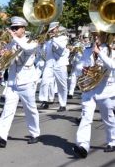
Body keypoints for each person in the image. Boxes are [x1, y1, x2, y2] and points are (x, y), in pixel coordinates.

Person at [0, 16, 40, 147]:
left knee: (30, 109)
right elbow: (8, 61)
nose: (13, 30)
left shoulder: (32, 42)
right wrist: (2, 56)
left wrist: (14, 38)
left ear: (23, 29)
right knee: (7, 109)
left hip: (27, 81)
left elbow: (26, 49)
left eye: (16, 28)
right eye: (12, 28)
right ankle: (1, 137)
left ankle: (35, 133)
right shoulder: (11, 43)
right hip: (12, 82)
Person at [73, 30, 115, 158]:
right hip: (89, 90)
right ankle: (83, 145)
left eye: (98, 35)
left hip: (106, 90)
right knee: (86, 117)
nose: (95, 37)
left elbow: (113, 66)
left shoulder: (111, 51)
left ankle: (112, 141)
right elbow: (78, 67)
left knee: (108, 118)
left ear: (105, 36)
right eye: (94, 35)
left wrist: (99, 54)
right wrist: (83, 69)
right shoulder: (87, 50)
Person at [38, 22, 69, 111]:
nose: (51, 31)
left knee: (62, 85)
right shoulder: (48, 41)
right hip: (49, 64)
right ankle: (44, 101)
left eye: (53, 29)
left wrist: (53, 38)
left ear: (57, 29)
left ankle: (63, 104)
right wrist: (41, 45)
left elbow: (62, 47)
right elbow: (43, 53)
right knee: (44, 81)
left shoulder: (63, 38)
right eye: (50, 30)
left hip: (60, 64)